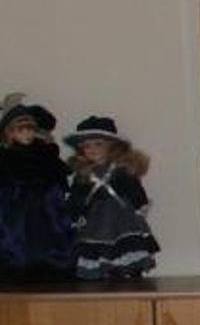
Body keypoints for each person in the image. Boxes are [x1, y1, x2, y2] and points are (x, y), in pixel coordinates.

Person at [0, 92, 74, 282]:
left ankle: (49, 268)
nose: (27, 134)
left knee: (46, 238)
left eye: (30, 130)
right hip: (15, 207)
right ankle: (14, 268)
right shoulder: (4, 156)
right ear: (9, 133)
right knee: (14, 239)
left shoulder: (46, 153)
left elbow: (57, 180)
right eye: (20, 130)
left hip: (45, 206)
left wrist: (60, 204)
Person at [62, 114, 159, 282]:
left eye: (98, 144)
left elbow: (133, 188)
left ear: (112, 147)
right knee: (95, 245)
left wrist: (140, 203)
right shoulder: (83, 174)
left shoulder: (120, 170)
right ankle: (102, 270)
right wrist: (74, 212)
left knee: (125, 244)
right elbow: (77, 196)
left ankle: (127, 269)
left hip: (121, 216)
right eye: (87, 146)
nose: (92, 149)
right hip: (95, 218)